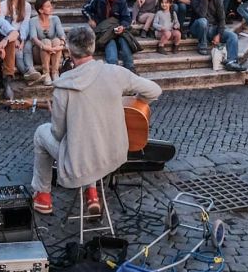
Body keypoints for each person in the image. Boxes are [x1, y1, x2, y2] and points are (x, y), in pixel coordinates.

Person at [30, 26, 162, 217]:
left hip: (80, 162)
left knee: (42, 133)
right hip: (114, 155)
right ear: (92, 46)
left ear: (69, 50)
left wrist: (64, 115)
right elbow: (155, 90)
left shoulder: (62, 87)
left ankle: (43, 195)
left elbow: (58, 133)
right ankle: (91, 192)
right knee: (87, 135)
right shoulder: (116, 72)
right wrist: (134, 105)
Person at [189, 0, 244, 70]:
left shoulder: (217, 0)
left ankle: (231, 61)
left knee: (233, 36)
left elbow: (222, 19)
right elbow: (201, 14)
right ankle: (202, 45)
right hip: (197, 28)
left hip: (212, 29)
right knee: (203, 21)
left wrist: (219, 34)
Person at [83, 0, 136, 70]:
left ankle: (130, 68)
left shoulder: (121, 1)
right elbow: (85, 9)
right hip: (104, 32)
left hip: (117, 30)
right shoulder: (98, 0)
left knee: (124, 40)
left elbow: (126, 18)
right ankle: (113, 68)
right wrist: (90, 19)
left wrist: (122, 26)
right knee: (110, 44)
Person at [2, 0, 41, 83]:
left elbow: (25, 23)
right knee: (18, 52)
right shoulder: (3, 5)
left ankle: (31, 70)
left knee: (27, 47)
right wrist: (14, 39)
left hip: (22, 34)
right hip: (8, 34)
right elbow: (2, 25)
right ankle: (27, 74)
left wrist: (22, 40)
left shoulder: (26, 6)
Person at [24, 0, 66, 86]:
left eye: (50, 5)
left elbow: (62, 34)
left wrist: (61, 45)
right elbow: (33, 38)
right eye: (48, 6)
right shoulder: (33, 21)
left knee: (56, 40)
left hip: (54, 51)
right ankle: (46, 73)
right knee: (46, 41)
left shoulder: (55, 19)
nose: (51, 8)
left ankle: (55, 72)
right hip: (39, 52)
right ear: (41, 10)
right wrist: (44, 46)